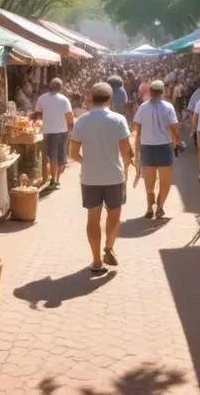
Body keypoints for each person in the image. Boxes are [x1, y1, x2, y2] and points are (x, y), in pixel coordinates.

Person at [70, 82, 133, 274]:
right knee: (114, 215)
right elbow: (125, 151)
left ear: (91, 98)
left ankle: (96, 261)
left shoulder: (81, 121)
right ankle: (109, 247)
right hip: (114, 176)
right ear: (109, 99)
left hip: (90, 178)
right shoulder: (119, 120)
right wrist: (127, 169)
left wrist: (86, 163)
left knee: (93, 218)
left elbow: (72, 153)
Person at [132, 80, 181, 219]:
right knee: (165, 181)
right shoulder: (168, 107)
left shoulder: (142, 107)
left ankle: (149, 207)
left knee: (149, 180)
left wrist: (137, 149)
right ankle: (159, 206)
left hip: (147, 147)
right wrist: (178, 141)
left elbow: (136, 128)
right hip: (164, 146)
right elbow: (174, 127)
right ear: (163, 92)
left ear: (150, 92)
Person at [34, 78, 75, 189]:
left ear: (50, 86)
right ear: (60, 88)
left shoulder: (42, 98)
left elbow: (37, 114)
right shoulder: (64, 100)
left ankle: (54, 179)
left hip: (48, 132)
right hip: (62, 132)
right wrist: (71, 128)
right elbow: (69, 116)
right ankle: (56, 179)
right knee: (60, 157)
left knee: (52, 157)